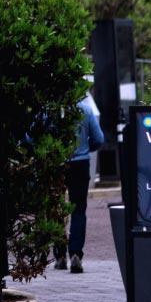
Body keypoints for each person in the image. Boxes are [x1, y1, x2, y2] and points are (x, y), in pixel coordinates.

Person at [57, 91, 105, 273]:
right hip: (80, 163)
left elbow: (31, 136)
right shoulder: (85, 109)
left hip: (56, 162)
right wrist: (84, 148)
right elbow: (99, 139)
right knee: (78, 209)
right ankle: (76, 253)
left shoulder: (48, 110)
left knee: (56, 208)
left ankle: (60, 255)